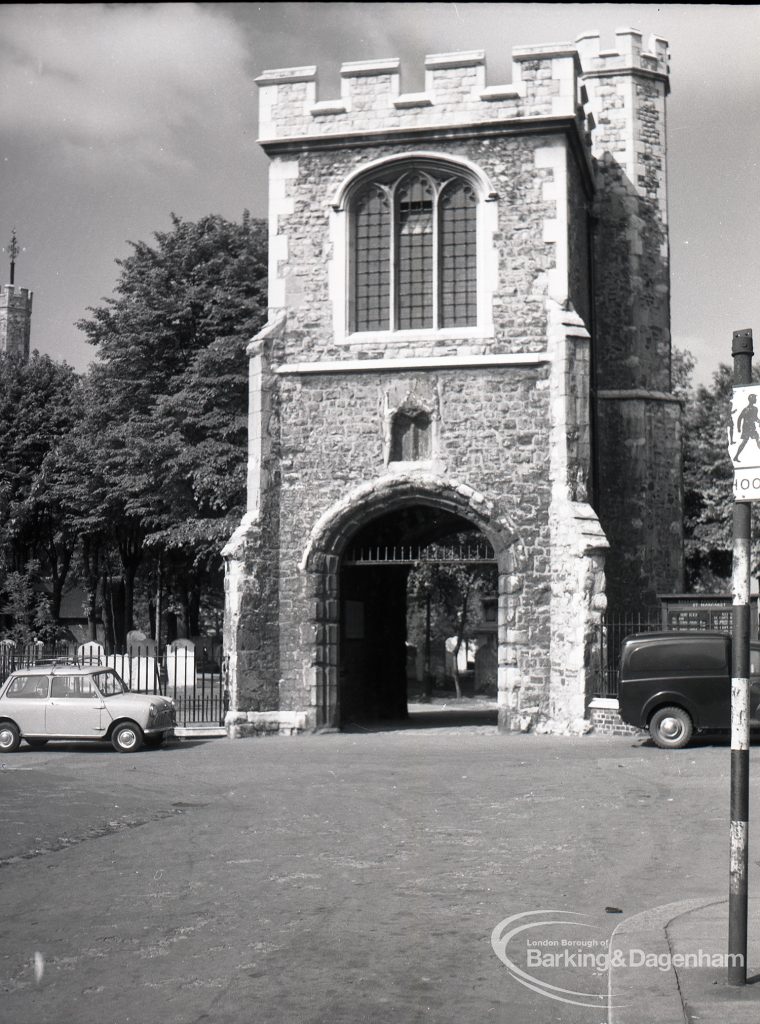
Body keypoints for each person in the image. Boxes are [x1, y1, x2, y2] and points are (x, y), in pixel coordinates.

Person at [735, 394, 760, 462]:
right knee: (744, 442)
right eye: (755, 398)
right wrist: (739, 428)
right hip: (746, 429)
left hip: (752, 427)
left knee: (757, 438)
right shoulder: (746, 409)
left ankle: (736, 457)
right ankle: (736, 456)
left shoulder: (755, 409)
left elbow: (755, 418)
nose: (756, 399)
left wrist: (759, 421)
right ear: (751, 400)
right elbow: (739, 418)